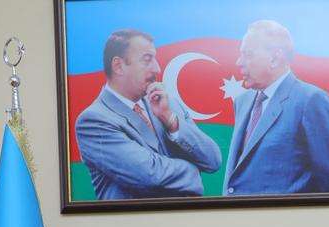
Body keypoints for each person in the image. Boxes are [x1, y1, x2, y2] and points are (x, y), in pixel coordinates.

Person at [75, 29, 221, 200]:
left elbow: (213, 160)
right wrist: (193, 170)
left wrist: (171, 121)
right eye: (147, 59)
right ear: (118, 66)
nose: (157, 68)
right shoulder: (94, 121)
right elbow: (150, 175)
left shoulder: (167, 104)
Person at [223, 20, 329, 196]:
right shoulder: (242, 101)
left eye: (248, 54)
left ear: (275, 58)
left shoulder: (311, 101)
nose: (239, 62)